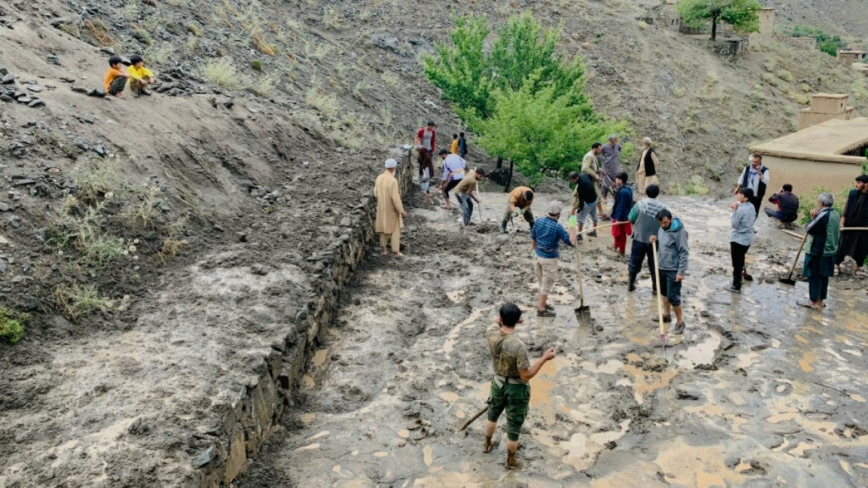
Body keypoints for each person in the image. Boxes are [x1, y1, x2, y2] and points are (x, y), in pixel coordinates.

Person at [483, 303, 557, 469]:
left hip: (498, 383)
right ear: (517, 320)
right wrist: (544, 358)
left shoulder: (491, 333)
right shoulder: (518, 346)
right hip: (516, 389)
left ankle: (486, 445)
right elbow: (526, 375)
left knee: (492, 415)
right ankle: (510, 462)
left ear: (501, 319)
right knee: (514, 427)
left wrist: (507, 320)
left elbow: (496, 322)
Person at [530, 201, 578, 317]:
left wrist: (533, 251)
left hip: (537, 257)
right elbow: (572, 241)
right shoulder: (557, 227)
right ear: (559, 214)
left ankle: (543, 303)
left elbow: (533, 237)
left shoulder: (539, 221)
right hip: (549, 260)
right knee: (546, 285)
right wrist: (572, 223)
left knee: (542, 282)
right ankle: (541, 309)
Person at [649, 209, 689, 334]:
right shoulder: (661, 229)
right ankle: (666, 315)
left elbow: (684, 252)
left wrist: (681, 272)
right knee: (664, 293)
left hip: (673, 269)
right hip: (661, 267)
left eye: (665, 223)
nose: (663, 225)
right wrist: (655, 240)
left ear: (670, 219)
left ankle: (680, 322)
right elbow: (663, 245)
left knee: (673, 297)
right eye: (661, 223)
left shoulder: (680, 232)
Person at [802, 192, 841, 309]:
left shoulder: (823, 215)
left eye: (818, 201)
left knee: (814, 275)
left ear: (821, 203)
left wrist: (812, 217)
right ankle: (821, 301)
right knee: (824, 276)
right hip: (830, 250)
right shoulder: (836, 214)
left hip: (818, 250)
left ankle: (813, 301)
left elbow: (808, 228)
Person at [627, 184, 665, 292]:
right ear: (657, 194)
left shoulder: (639, 205)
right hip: (655, 241)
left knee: (634, 262)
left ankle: (630, 285)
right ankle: (655, 289)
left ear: (646, 193)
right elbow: (665, 225)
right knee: (654, 264)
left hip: (639, 238)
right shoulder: (662, 208)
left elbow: (631, 218)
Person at [836, 174, 868, 278]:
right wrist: (842, 221)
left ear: (866, 184)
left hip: (863, 228)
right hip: (849, 225)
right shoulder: (853, 193)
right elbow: (846, 208)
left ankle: (858, 267)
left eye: (859, 182)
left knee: (861, 248)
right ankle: (836, 265)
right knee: (842, 246)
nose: (856, 184)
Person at [374, 159, 407, 258]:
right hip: (391, 209)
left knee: (383, 228)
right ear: (393, 168)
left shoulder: (379, 178)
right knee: (395, 229)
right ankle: (395, 251)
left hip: (381, 207)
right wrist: (401, 211)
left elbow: (375, 193)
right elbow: (395, 197)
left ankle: (384, 250)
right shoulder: (393, 180)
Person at [728, 188, 757, 293]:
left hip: (738, 239)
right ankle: (740, 279)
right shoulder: (751, 206)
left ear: (746, 197)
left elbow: (734, 225)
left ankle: (736, 285)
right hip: (747, 239)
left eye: (740, 194)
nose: (738, 195)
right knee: (740, 259)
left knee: (736, 263)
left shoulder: (740, 210)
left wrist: (734, 211)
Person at [734, 154, 770, 218]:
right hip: (746, 193)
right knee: (742, 207)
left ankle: (751, 224)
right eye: (753, 161)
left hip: (756, 195)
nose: (754, 163)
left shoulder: (765, 170)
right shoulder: (747, 168)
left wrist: (759, 171)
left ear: (760, 162)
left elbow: (766, 181)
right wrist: (737, 187)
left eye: (756, 162)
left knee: (754, 210)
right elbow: (741, 178)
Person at [569, 171, 598, 241]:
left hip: (589, 203)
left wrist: (579, 210)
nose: (571, 181)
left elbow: (581, 201)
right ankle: (594, 232)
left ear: (575, 179)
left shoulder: (581, 187)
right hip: (595, 199)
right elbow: (590, 176)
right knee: (594, 216)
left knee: (580, 219)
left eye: (571, 180)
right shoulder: (583, 176)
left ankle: (579, 235)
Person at [582, 142, 608, 220]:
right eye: (599, 150)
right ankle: (600, 213)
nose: (600, 151)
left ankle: (598, 212)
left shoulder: (593, 155)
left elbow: (592, 167)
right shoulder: (590, 156)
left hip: (590, 179)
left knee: (595, 196)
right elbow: (585, 168)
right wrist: (595, 175)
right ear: (595, 148)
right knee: (597, 195)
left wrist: (599, 170)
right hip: (588, 179)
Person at [610, 172, 633, 255]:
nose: (615, 180)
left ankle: (621, 250)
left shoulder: (623, 192)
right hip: (624, 214)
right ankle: (616, 245)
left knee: (621, 234)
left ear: (620, 180)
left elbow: (621, 206)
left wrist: (619, 219)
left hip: (620, 216)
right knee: (617, 233)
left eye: (616, 179)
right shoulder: (628, 189)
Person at [600, 134, 622, 206]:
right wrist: (603, 160)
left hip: (615, 166)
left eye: (616, 140)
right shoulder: (604, 147)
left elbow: (620, 150)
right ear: (610, 140)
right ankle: (604, 196)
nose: (615, 141)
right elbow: (597, 154)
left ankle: (616, 196)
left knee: (616, 181)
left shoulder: (618, 145)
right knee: (605, 182)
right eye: (614, 140)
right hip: (607, 167)